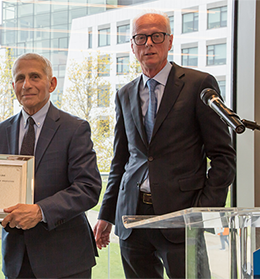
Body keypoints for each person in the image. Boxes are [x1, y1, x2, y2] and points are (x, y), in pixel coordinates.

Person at [93, 11, 236, 279]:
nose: (149, 43)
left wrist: (201, 211)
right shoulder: (124, 94)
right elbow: (120, 160)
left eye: (156, 36)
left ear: (169, 41)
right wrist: (106, 213)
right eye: (141, 37)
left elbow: (223, 158)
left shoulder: (198, 84)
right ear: (132, 46)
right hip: (132, 218)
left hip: (182, 216)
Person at [0, 53, 102, 279]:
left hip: (66, 261)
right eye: (20, 78)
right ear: (13, 86)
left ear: (52, 83)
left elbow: (88, 188)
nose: (26, 85)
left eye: (35, 76)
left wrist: (40, 212)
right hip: (16, 261)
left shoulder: (75, 129)